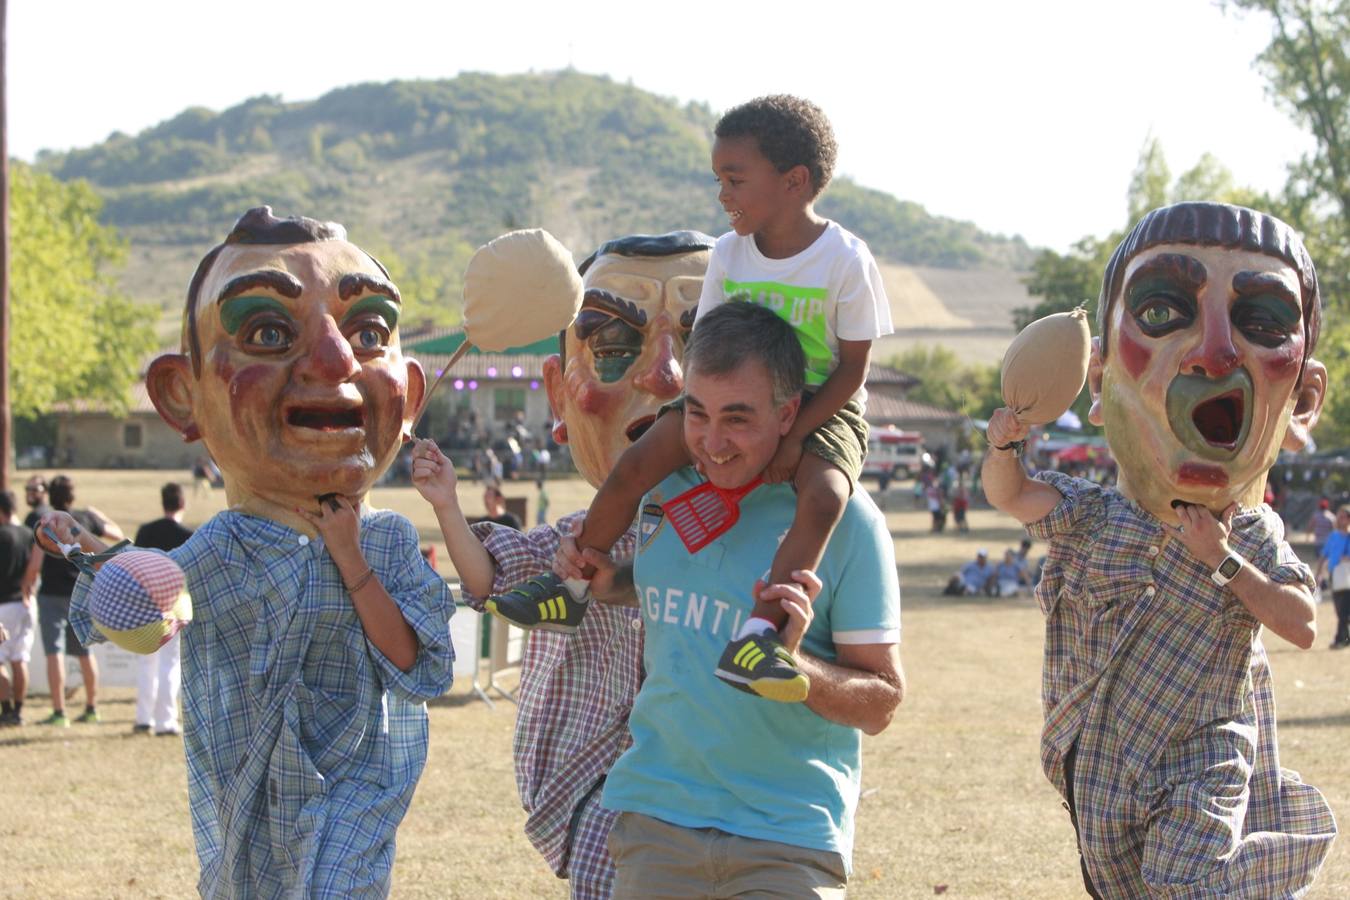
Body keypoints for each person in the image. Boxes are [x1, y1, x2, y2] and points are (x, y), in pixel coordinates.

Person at [52, 206, 454, 897]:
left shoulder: (388, 542)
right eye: (268, 332)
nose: (335, 361)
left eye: (369, 331)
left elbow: (417, 666)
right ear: (185, 396)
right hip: (251, 801)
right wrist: (90, 553)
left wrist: (350, 557)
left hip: (359, 783)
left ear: (410, 394)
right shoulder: (222, 547)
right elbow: (140, 606)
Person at [983, 202, 1335, 895]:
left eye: (1261, 321)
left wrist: (1223, 560)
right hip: (1099, 764)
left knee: (1186, 882)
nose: (1215, 351)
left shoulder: (1253, 534)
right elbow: (1014, 495)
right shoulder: (1093, 517)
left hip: (1202, 759)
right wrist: (1003, 443)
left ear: (1302, 400)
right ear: (1098, 378)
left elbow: (1302, 622)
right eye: (1161, 311)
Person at [492, 96, 893, 704]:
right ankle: (569, 586)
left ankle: (762, 636)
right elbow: (705, 343)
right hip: (727, 394)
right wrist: (698, 415)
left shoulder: (844, 259)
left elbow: (853, 371)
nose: (722, 195)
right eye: (718, 180)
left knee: (823, 498)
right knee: (634, 469)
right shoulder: (731, 253)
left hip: (818, 405)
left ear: (795, 182)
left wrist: (791, 435)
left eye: (735, 180)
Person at [555, 302, 903, 896]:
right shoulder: (666, 491)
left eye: (737, 419)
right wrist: (598, 578)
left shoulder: (844, 521)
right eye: (697, 414)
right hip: (656, 824)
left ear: (789, 412)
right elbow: (664, 588)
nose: (712, 443)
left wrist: (796, 667)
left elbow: (882, 704)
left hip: (787, 838)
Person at [413, 230, 713, 899]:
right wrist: (447, 507)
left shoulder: (765, 543)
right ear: (557, 393)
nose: (666, 377)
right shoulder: (572, 544)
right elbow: (490, 578)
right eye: (610, 347)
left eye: (709, 346)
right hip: (600, 795)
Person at [34, 474, 123, 726]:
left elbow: (37, 558)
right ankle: (92, 707)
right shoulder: (84, 518)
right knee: (85, 653)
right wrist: (98, 514)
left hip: (51, 594)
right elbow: (116, 534)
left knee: (55, 653)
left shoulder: (46, 522)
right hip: (81, 593)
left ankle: (59, 711)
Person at [131, 483, 194, 736]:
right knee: (170, 664)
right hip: (173, 605)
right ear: (182, 504)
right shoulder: (188, 535)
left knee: (146, 664)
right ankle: (166, 720)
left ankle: (143, 718)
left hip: (145, 602)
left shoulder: (146, 531)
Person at [0, 491, 38, 726]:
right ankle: (19, 711)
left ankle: (5, 710)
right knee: (20, 658)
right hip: (25, 603)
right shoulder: (28, 534)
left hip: (2, 604)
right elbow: (35, 567)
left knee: (0, 662)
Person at [1316, 505, 1350, 648]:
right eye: (1339, 516)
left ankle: (1340, 640)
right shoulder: (1333, 536)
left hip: (1348, 576)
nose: (1339, 519)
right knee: (1339, 609)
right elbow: (1324, 555)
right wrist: (1318, 573)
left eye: (1343, 516)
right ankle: (1344, 637)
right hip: (1335, 576)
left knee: (1343, 610)